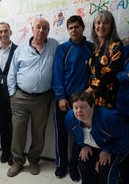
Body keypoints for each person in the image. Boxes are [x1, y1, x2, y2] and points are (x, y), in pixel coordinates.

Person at [7, 18, 59, 177]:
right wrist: (12, 93)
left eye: (45, 28)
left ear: (49, 31)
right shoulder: (21, 49)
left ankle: (34, 159)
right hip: (20, 97)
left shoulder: (54, 45)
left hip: (43, 99)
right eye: (38, 27)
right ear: (32, 28)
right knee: (18, 131)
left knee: (39, 132)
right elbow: (12, 73)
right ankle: (17, 160)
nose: (41, 30)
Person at [52, 15, 93, 181]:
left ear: (83, 27)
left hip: (83, 102)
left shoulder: (91, 48)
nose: (74, 30)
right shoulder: (63, 49)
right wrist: (61, 97)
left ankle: (74, 166)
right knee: (61, 134)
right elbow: (57, 74)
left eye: (77, 27)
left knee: (80, 136)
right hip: (64, 100)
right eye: (70, 28)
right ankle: (61, 165)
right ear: (67, 30)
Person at [64, 91, 129, 184]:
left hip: (116, 146)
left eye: (82, 107)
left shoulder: (109, 118)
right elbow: (73, 133)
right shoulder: (70, 118)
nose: (78, 111)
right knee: (84, 163)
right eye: (76, 107)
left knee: (106, 168)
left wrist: (109, 151)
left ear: (92, 106)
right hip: (95, 144)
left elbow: (125, 138)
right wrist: (83, 145)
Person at [86, 10, 123, 109]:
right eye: (98, 23)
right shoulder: (95, 46)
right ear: (94, 26)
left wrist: (90, 89)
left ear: (111, 26)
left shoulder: (116, 45)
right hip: (92, 96)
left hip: (106, 95)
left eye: (106, 23)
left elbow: (110, 72)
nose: (101, 26)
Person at [0, 22, 17, 165]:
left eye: (5, 31)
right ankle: (5, 151)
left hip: (13, 93)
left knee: (14, 125)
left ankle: (14, 153)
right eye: (0, 31)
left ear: (10, 32)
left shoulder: (18, 50)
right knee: (2, 124)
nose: (3, 34)